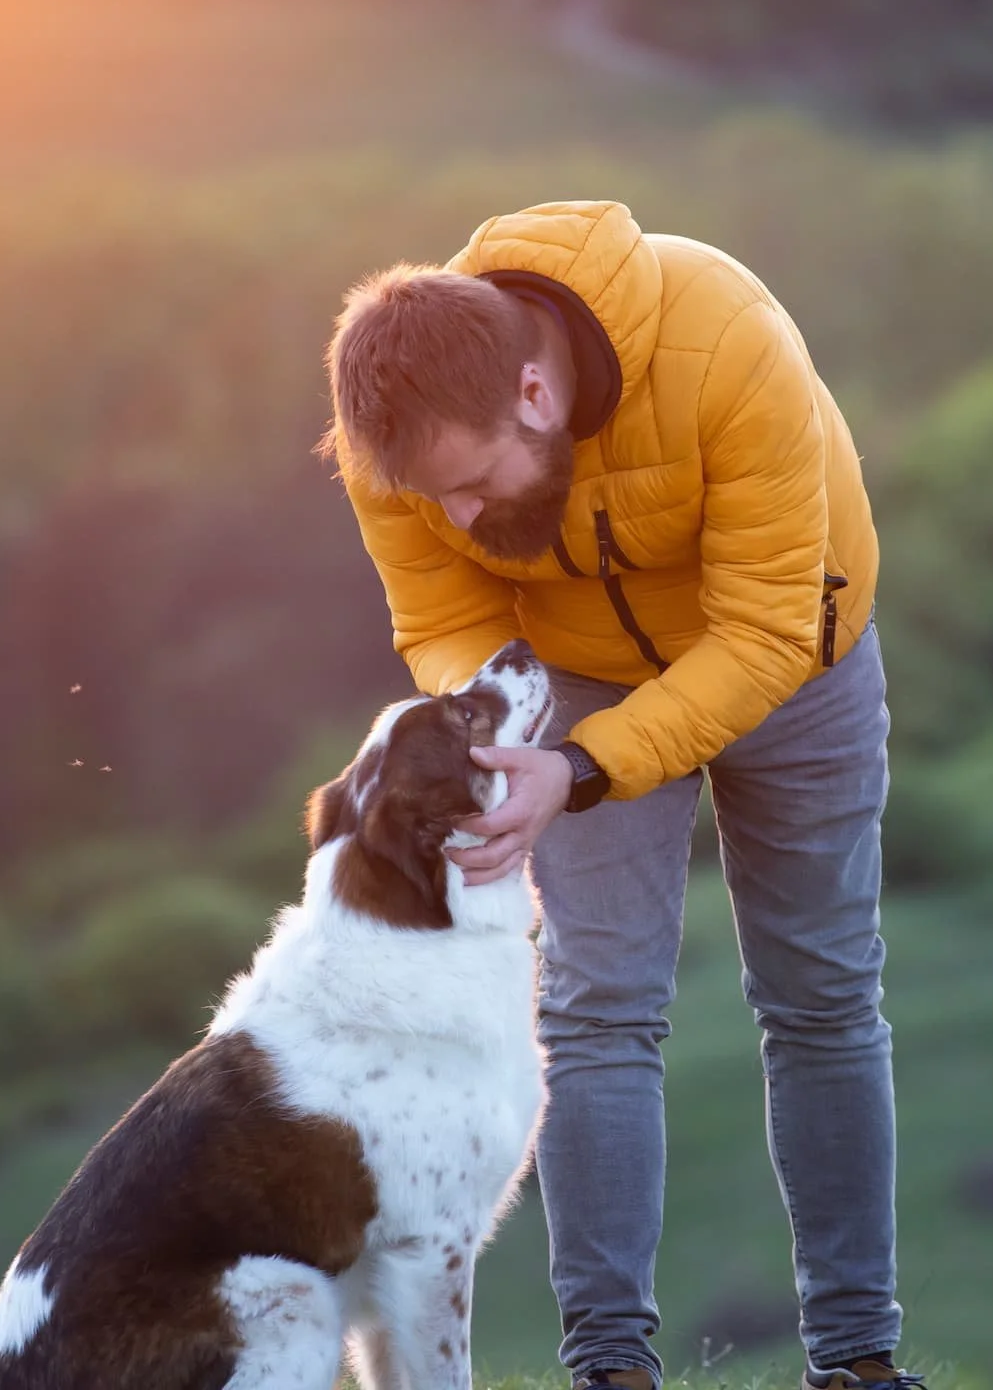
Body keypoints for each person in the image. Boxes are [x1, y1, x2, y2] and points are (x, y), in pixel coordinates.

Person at [321, 201, 923, 1390]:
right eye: (428, 498)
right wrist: (513, 737)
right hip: (573, 681)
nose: (456, 518)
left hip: (791, 653)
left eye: (472, 484)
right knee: (595, 1010)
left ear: (535, 399)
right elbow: (442, 621)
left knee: (819, 994)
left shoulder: (727, 340)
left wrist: (585, 768)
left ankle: (855, 1360)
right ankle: (609, 1370)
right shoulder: (396, 437)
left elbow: (758, 633)